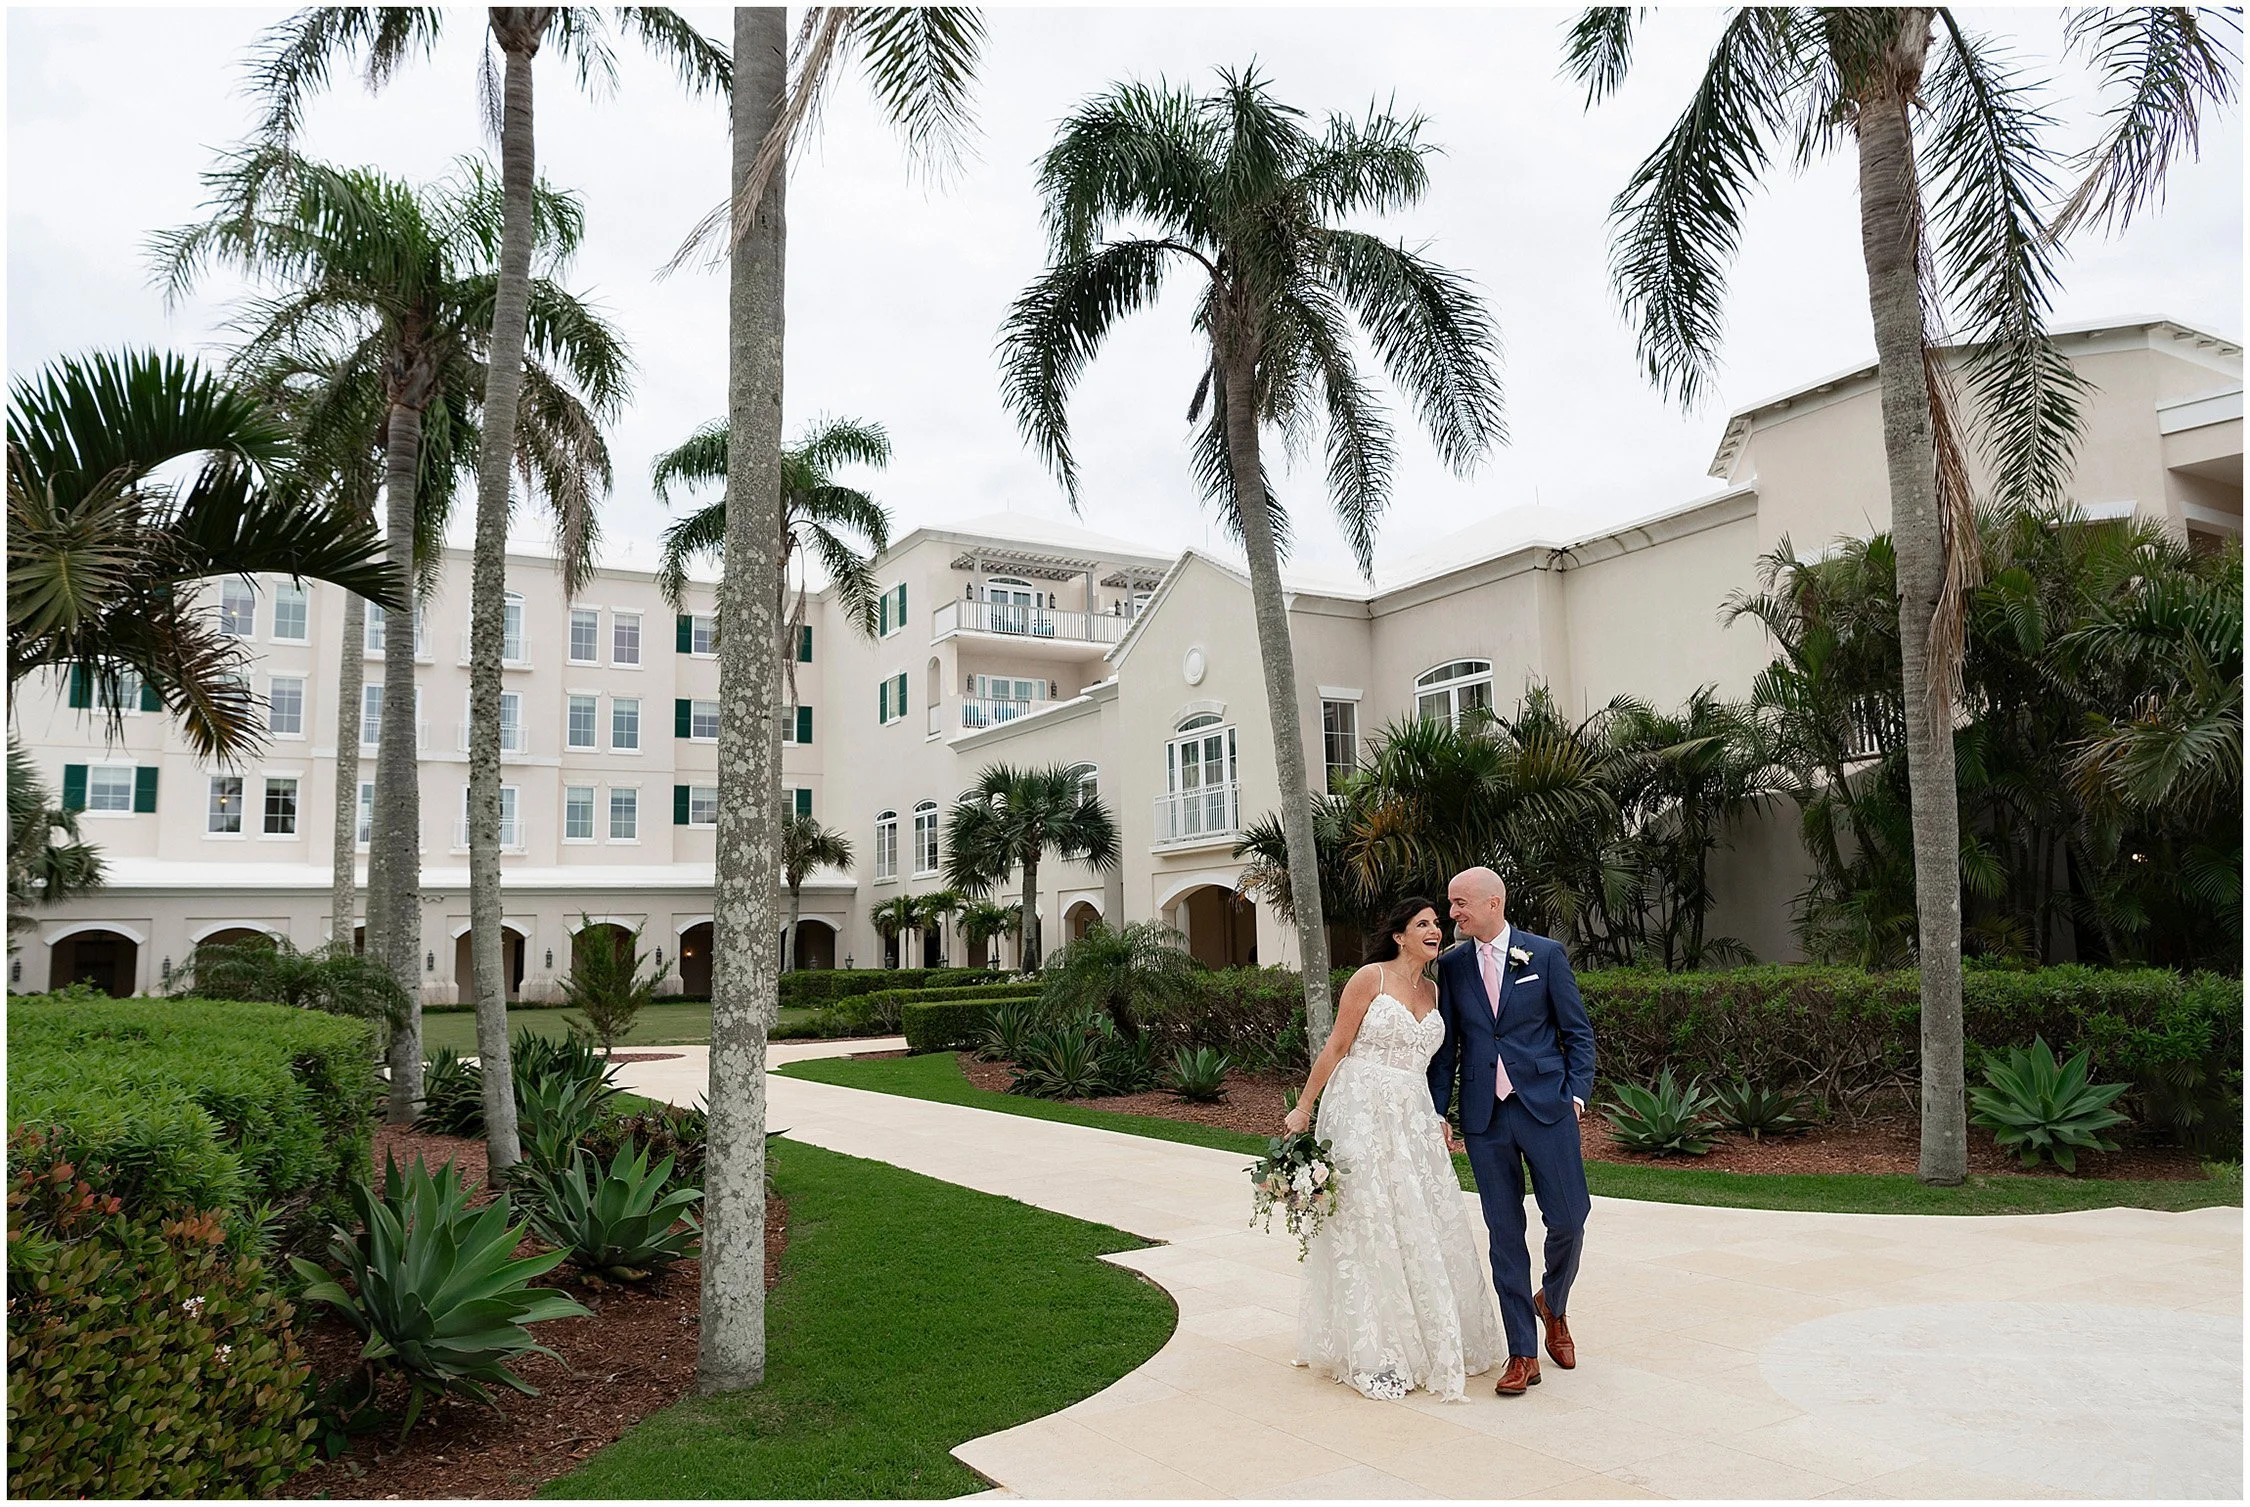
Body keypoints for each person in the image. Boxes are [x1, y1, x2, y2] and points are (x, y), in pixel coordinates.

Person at [1285, 897, 1502, 1401]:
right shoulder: (1371, 978)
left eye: (1436, 923)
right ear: (1400, 936)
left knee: (1421, 1217)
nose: (1434, 929)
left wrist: (1437, 1115)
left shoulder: (1435, 989)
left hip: (1412, 1113)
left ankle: (1428, 1336)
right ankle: (1376, 1346)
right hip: (1360, 1108)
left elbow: (1432, 1065)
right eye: (1422, 923)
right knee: (1370, 1219)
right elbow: (1337, 1046)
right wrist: (1304, 1107)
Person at [1430, 865, 1596, 1396]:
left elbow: (1577, 1032)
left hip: (1546, 1107)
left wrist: (1575, 1094)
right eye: (1451, 903)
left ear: (1493, 903)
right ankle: (1522, 1351)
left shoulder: (1544, 955)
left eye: (1460, 903)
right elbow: (1447, 1048)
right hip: (1485, 1116)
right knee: (1504, 1234)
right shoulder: (1451, 966)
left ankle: (1554, 1302)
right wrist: (1438, 1111)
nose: (1452, 913)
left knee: (1570, 1218)